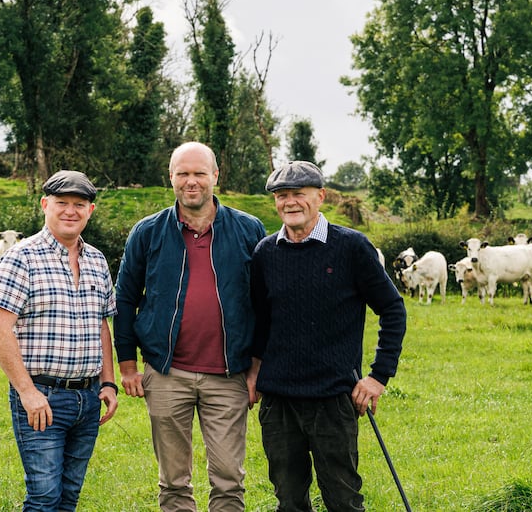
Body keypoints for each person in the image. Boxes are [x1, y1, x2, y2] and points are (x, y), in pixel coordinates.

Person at [114, 141, 267, 512]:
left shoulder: (249, 229)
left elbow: (265, 304)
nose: (191, 181)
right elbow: (124, 298)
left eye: (200, 173)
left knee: (229, 479)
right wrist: (129, 365)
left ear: (216, 176)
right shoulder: (147, 232)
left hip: (229, 374)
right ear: (171, 178)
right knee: (173, 481)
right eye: (183, 173)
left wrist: (257, 370)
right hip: (168, 373)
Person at [249, 160, 407, 512]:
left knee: (343, 500)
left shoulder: (352, 247)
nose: (290, 202)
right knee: (288, 500)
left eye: (299, 194)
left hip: (335, 398)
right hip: (279, 400)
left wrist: (378, 377)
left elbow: (393, 309)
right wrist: (255, 371)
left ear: (320, 196)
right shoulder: (265, 253)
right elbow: (262, 320)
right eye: (282, 195)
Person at [0, 169, 119, 511]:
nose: (70, 211)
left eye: (80, 204)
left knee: (69, 496)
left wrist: (108, 382)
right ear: (45, 204)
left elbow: (101, 324)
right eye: (62, 203)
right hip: (42, 398)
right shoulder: (21, 257)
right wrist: (28, 393)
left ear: (91, 210)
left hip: (87, 399)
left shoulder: (97, 261)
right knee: (44, 497)